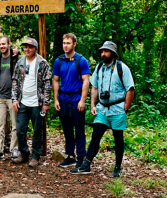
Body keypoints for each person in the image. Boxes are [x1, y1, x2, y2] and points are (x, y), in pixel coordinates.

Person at [70, 41, 135, 177]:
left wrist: (126, 107)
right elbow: (94, 88)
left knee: (118, 138)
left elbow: (130, 88)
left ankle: (117, 167)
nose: (103, 54)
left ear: (113, 53)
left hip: (117, 108)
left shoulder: (121, 68)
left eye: (106, 51)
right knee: (96, 136)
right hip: (102, 109)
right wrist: (93, 105)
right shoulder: (99, 68)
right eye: (102, 51)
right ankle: (86, 164)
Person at [11, 38, 52, 168]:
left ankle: (35, 156)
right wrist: (14, 99)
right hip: (23, 101)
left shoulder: (42, 63)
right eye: (25, 47)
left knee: (37, 131)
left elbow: (47, 83)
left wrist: (46, 102)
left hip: (37, 103)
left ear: (35, 49)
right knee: (20, 129)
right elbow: (15, 81)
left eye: (30, 47)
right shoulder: (20, 62)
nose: (27, 49)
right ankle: (23, 153)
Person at [53, 33, 91, 169]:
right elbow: (56, 80)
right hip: (63, 99)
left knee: (79, 129)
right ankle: (70, 156)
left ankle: (81, 157)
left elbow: (86, 80)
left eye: (68, 43)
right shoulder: (59, 60)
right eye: (64, 43)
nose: (66, 45)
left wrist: (83, 100)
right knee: (67, 129)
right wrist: (55, 99)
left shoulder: (81, 60)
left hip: (76, 99)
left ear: (74, 44)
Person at [0, 36, 19, 160]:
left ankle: (14, 149)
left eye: (4, 44)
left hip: (13, 97)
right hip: (0, 96)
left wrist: (18, 54)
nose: (1, 46)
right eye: (0, 45)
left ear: (9, 44)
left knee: (15, 125)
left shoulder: (16, 57)